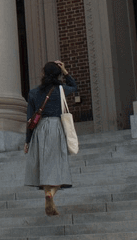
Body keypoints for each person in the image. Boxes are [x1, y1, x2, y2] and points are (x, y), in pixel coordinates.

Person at [23, 60, 78, 217]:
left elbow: (30, 120)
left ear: (43, 74)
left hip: (40, 130)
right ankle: (50, 194)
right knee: (59, 168)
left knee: (45, 169)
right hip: (56, 128)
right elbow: (74, 86)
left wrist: (27, 141)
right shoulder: (60, 90)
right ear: (57, 75)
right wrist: (65, 71)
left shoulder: (33, 93)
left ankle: (48, 194)